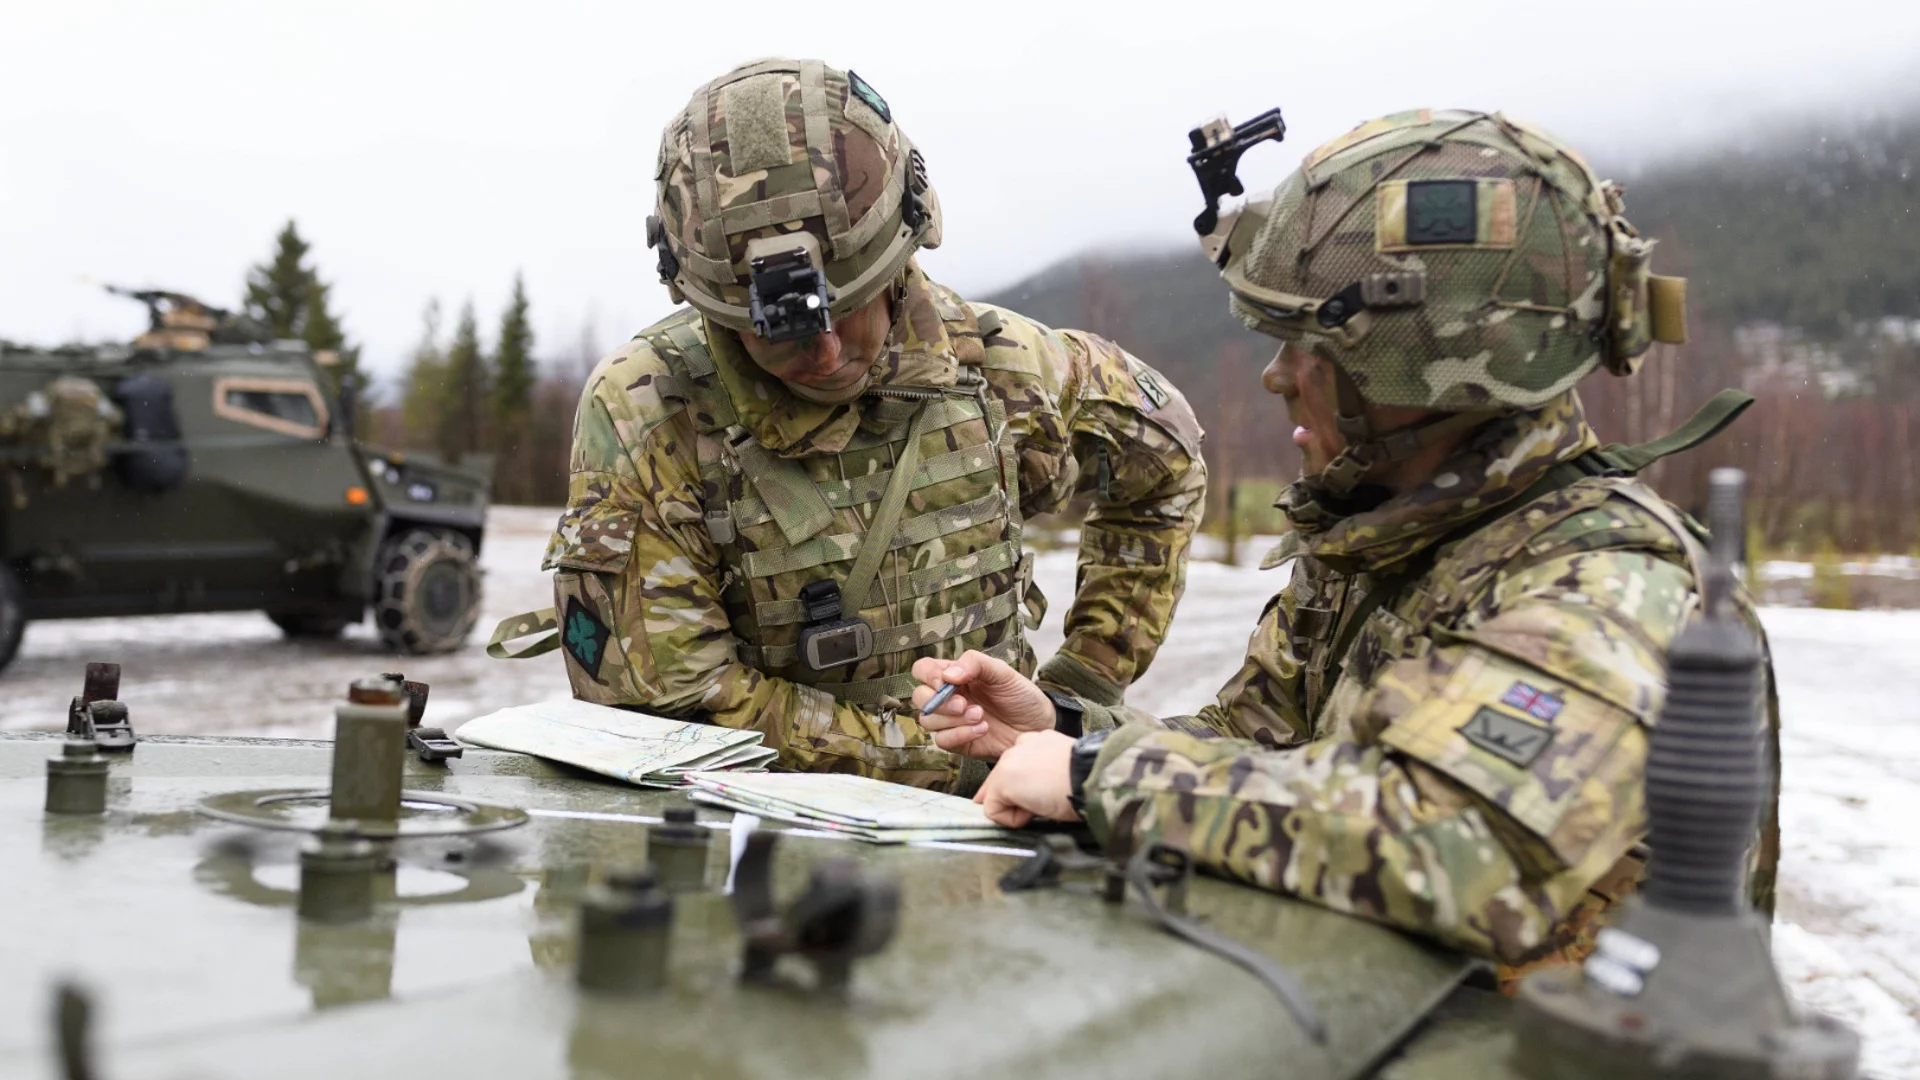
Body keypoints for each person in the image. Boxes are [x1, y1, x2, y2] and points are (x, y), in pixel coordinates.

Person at [913, 108, 1778, 978]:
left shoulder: (1607, 587)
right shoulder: (1386, 538)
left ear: (1416, 368)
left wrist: (1103, 778)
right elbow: (1250, 752)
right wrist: (1066, 728)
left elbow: (1452, 846)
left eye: (1308, 347)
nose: (1277, 376)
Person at [513, 59, 1206, 793]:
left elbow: (1167, 451)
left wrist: (1082, 689)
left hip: (999, 834)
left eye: (846, 307)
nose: (824, 353)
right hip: (755, 851)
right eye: (775, 330)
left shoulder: (1003, 369)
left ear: (900, 261)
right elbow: (669, 712)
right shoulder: (649, 410)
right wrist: (962, 755)